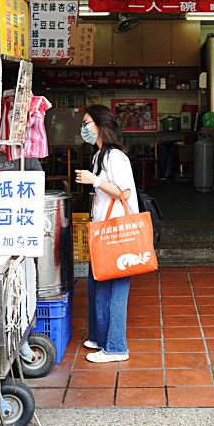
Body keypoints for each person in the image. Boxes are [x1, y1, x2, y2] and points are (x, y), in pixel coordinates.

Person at [74, 104, 138, 363]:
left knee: (115, 290)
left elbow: (125, 193)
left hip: (118, 232)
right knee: (97, 283)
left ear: (100, 125)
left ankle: (116, 348)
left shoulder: (114, 156)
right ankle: (101, 338)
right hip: (103, 230)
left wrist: (95, 181)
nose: (84, 128)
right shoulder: (99, 155)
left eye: (87, 123)